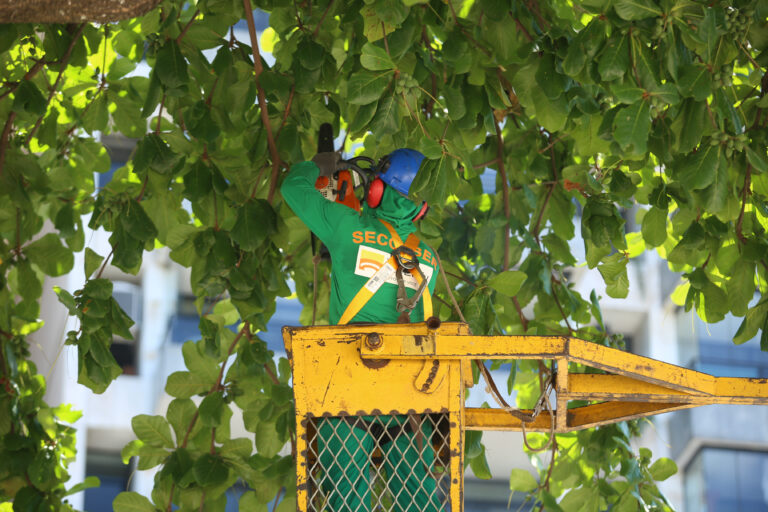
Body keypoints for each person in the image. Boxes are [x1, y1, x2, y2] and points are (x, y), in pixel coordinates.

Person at [281, 148, 442, 512]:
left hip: (346, 393)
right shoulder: (429, 258)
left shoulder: (346, 227)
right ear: (421, 206)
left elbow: (293, 187)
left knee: (346, 504)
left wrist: (319, 165)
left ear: (377, 192)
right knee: (420, 503)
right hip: (407, 403)